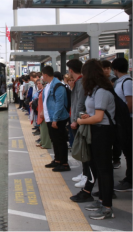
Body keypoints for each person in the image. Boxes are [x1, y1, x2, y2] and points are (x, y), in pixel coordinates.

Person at [75, 59, 116, 220]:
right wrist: (87, 116)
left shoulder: (102, 92)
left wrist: (81, 121)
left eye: (84, 74)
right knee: (99, 169)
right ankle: (102, 201)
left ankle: (107, 207)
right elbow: (96, 115)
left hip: (103, 133)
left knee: (105, 170)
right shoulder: (96, 90)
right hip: (97, 132)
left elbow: (99, 117)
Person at [41, 66, 70, 172]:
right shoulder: (48, 85)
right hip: (50, 117)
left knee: (60, 141)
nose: (41, 77)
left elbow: (60, 103)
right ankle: (57, 160)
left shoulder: (58, 86)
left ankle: (64, 163)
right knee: (54, 140)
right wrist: (43, 112)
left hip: (58, 118)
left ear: (45, 75)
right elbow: (46, 101)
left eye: (42, 75)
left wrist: (55, 119)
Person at [67, 59, 89, 188]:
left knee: (83, 150)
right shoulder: (78, 82)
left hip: (79, 121)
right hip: (77, 119)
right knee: (81, 149)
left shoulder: (80, 83)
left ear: (70, 70)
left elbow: (80, 103)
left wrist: (75, 120)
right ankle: (84, 172)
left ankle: (86, 175)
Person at [111, 58, 132, 192]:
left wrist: (123, 117)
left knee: (129, 151)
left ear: (115, 69)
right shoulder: (120, 82)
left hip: (127, 122)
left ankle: (130, 180)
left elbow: (130, 103)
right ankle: (128, 177)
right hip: (122, 122)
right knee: (127, 151)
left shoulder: (127, 82)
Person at [36, 79, 52, 149]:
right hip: (41, 111)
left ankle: (46, 144)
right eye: (38, 83)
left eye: (40, 83)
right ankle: (42, 141)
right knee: (42, 128)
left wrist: (43, 111)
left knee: (45, 128)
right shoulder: (42, 91)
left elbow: (45, 103)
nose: (39, 85)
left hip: (44, 111)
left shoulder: (45, 91)